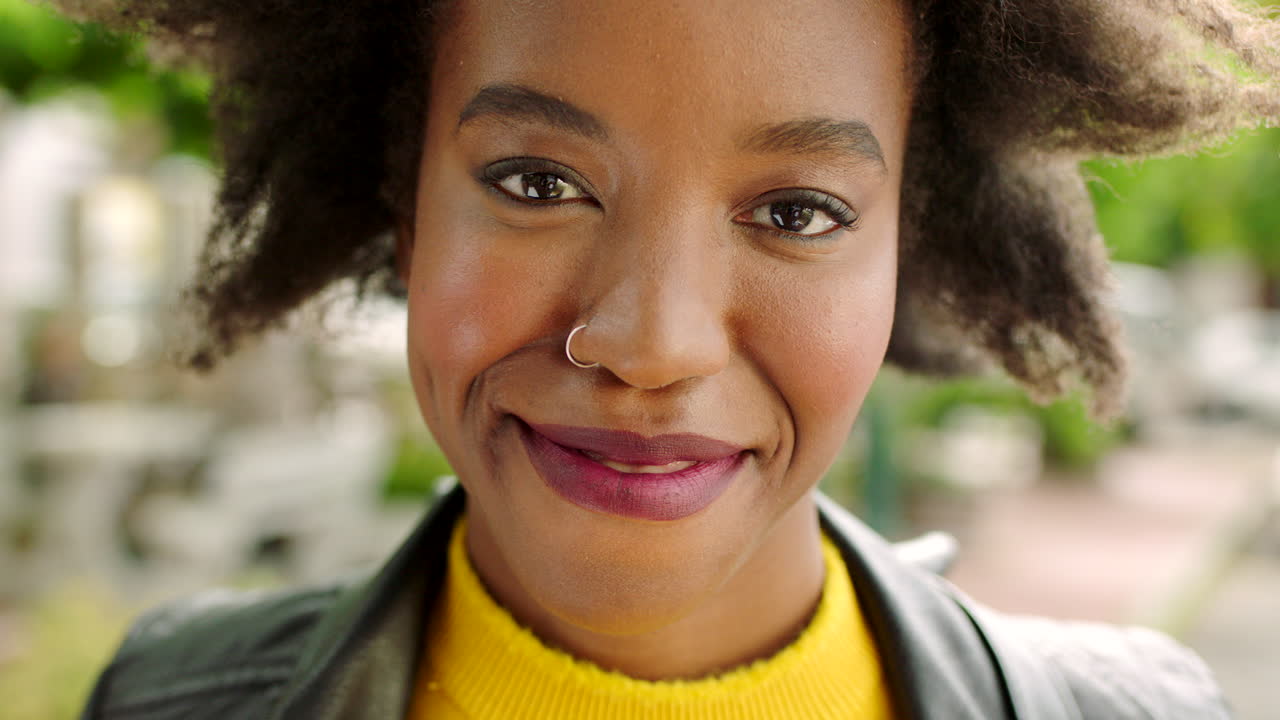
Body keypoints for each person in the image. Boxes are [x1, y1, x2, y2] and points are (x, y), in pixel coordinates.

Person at [66, 0, 1278, 717]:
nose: (650, 345)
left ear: (911, 243)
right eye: (536, 183)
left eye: (797, 212)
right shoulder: (169, 699)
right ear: (404, 212)